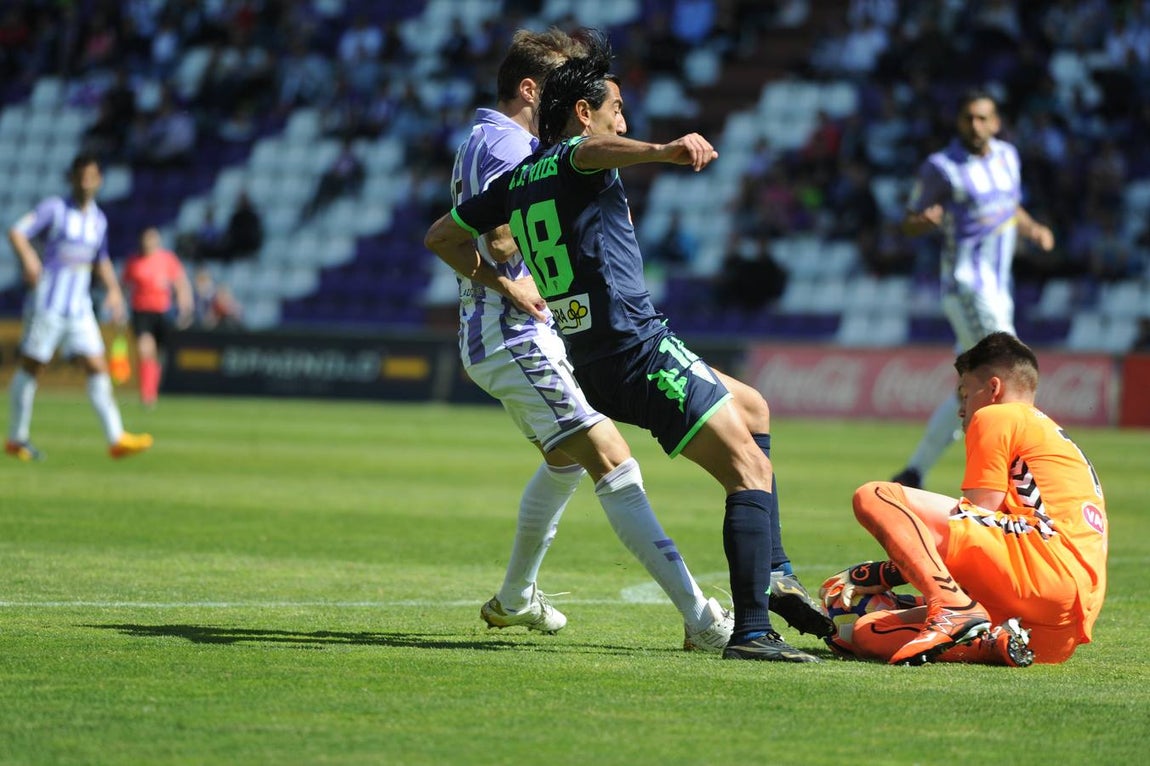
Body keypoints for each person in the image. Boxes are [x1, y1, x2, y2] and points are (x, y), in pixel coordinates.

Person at [427, 31, 833, 662]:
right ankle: (750, 630)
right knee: (749, 471)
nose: (624, 118)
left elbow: (442, 237)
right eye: (616, 108)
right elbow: (590, 153)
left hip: (590, 357)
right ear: (585, 114)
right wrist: (665, 149)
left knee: (753, 410)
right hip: (636, 349)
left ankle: (773, 569)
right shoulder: (568, 157)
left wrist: (499, 279)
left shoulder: (519, 179)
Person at [448, 27, 734, 652]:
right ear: (530, 88)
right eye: (555, 87)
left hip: (506, 328)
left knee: (564, 458)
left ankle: (516, 597)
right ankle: (703, 618)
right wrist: (520, 276)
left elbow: (455, 231)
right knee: (610, 456)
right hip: (512, 330)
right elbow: (497, 237)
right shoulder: (511, 147)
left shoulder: (482, 138)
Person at [828, 332, 1107, 666]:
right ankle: (994, 643)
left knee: (875, 495)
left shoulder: (999, 415)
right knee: (866, 632)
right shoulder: (1048, 434)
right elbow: (987, 538)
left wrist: (887, 572)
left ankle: (950, 607)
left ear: (993, 388)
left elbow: (978, 513)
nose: (961, 410)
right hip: (1057, 627)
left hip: (1044, 565)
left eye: (964, 394)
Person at [891, 90, 1055, 489]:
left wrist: (1031, 226)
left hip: (1000, 287)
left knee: (976, 385)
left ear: (996, 123)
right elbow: (909, 220)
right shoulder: (941, 166)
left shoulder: (1007, 157)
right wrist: (921, 222)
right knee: (1011, 371)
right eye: (969, 118)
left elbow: (1010, 205)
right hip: (968, 286)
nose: (976, 126)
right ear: (959, 122)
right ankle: (1016, 472)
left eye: (984, 118)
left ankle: (915, 471)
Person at [5, 154, 153, 461]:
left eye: (92, 177)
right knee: (33, 366)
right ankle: (17, 438)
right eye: (81, 177)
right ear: (71, 178)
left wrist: (113, 290)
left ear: (99, 181)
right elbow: (17, 231)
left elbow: (100, 260)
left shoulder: (98, 219)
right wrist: (30, 258)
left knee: (97, 366)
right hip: (49, 303)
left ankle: (116, 439)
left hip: (80, 308)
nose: (86, 183)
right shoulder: (54, 209)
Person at [120, 227, 194, 408]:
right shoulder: (134, 262)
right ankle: (147, 394)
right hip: (141, 312)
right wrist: (119, 307)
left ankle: (152, 388)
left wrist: (185, 305)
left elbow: (181, 283)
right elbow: (123, 286)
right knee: (145, 350)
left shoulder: (167, 260)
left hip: (162, 311)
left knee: (158, 355)